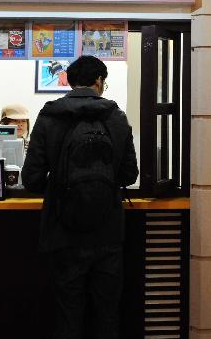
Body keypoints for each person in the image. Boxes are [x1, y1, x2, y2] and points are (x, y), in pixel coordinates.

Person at [22, 56, 139, 339]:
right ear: (99, 81)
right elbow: (129, 174)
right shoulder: (116, 117)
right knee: (107, 311)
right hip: (108, 231)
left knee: (69, 311)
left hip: (63, 232)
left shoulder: (50, 117)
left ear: (70, 81)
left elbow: (32, 179)